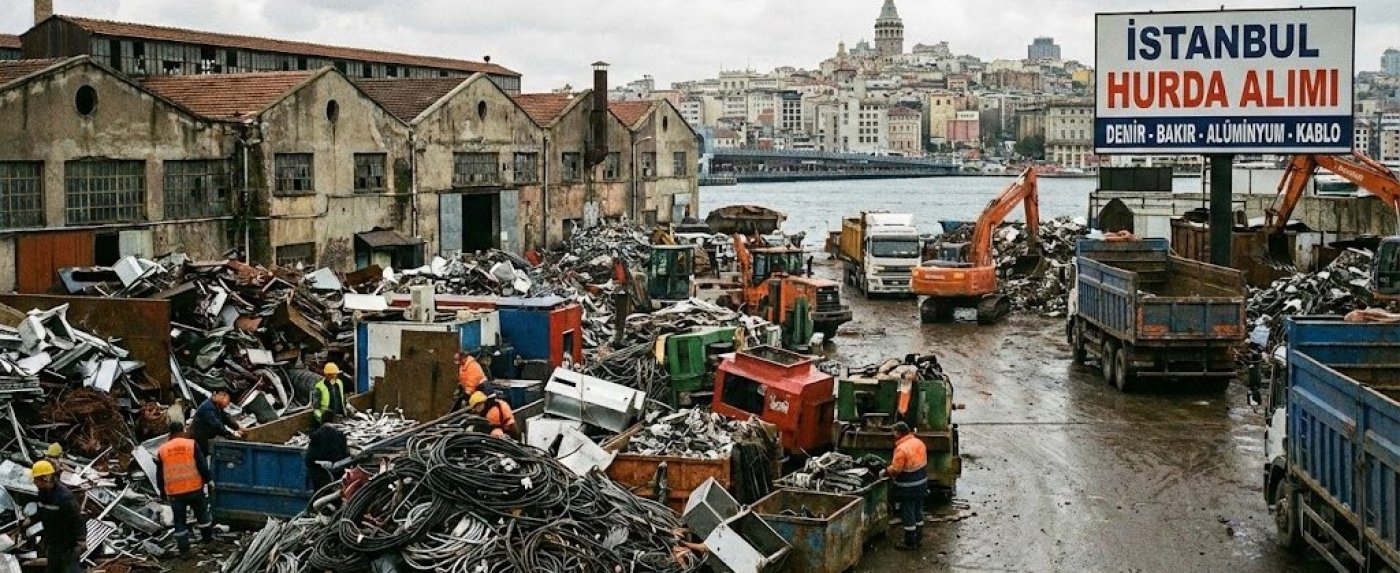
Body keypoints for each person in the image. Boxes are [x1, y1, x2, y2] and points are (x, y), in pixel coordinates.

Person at [155, 422, 214, 557]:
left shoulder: (162, 450)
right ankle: (208, 543)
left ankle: (184, 551)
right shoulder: (191, 444)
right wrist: (208, 480)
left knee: (180, 521)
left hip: (175, 493)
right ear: (183, 431)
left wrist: (162, 492)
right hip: (194, 488)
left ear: (170, 433)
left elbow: (160, 474)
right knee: (202, 516)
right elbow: (201, 465)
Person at [31, 460, 84, 572]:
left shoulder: (64, 497)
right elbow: (41, 511)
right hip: (53, 542)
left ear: (45, 478)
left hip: (68, 544)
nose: (34, 482)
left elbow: (77, 518)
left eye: (36, 479)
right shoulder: (42, 493)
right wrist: (30, 519)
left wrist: (81, 539)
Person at [886, 422, 928, 551]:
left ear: (899, 433)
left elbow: (896, 470)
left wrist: (885, 471)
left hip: (908, 486)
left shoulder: (901, 449)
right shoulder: (919, 442)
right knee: (918, 509)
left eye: (894, 432)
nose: (893, 434)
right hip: (922, 482)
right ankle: (919, 537)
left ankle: (910, 542)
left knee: (907, 511)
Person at [188, 390, 244, 457]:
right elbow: (217, 425)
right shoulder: (208, 408)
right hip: (199, 441)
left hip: (206, 439)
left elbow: (225, 417)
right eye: (227, 401)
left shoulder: (216, 406)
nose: (227, 405)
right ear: (220, 396)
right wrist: (231, 435)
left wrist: (237, 427)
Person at [304, 411, 350, 491]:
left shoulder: (315, 436)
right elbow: (345, 456)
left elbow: (308, 459)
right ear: (334, 421)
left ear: (321, 421)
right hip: (337, 477)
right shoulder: (340, 435)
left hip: (320, 477)